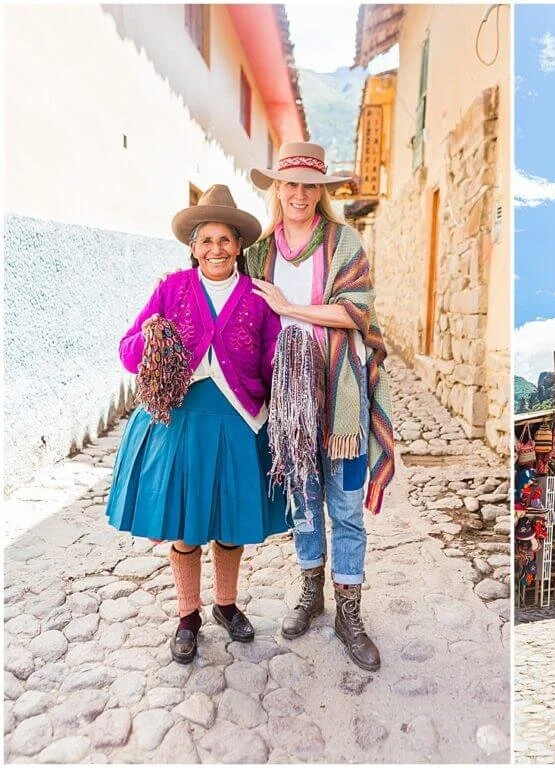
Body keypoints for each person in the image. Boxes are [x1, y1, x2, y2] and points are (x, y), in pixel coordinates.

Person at [106, 186, 289, 664]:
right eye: (206, 240)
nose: (215, 249)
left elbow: (272, 357)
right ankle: (188, 614)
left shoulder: (256, 297)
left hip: (237, 419)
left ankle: (226, 605)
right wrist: (151, 342)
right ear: (193, 246)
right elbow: (128, 349)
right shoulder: (171, 289)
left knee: (229, 522)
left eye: (225, 240)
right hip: (183, 420)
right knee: (187, 525)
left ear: (239, 246)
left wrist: (291, 376)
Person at [241, 142, 397, 672]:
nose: (300, 194)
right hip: (288, 400)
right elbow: (232, 303)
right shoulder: (259, 253)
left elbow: (357, 312)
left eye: (310, 186)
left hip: (341, 398)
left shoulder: (344, 242)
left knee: (346, 509)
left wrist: (290, 307)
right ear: (277, 189)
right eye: (290, 184)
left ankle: (350, 613)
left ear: (322, 192)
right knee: (304, 502)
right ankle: (312, 594)